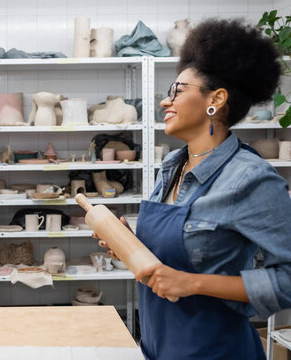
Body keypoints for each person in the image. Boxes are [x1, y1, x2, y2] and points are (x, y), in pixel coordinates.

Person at [99, 19, 291, 359]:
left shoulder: (251, 179)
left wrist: (192, 283)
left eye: (178, 91)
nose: (164, 102)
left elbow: (287, 280)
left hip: (215, 351)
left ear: (215, 100)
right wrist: (129, 244)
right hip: (158, 347)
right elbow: (173, 256)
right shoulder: (172, 165)